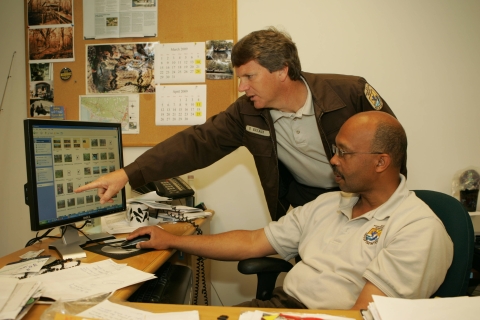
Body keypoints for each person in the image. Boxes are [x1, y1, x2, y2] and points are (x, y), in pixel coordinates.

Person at [124, 111, 453, 310]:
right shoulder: (329, 204)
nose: (333, 160)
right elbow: (253, 242)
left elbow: (365, 313)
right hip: (283, 307)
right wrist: (172, 240)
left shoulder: (417, 228)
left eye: (345, 153)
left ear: (381, 162)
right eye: (334, 149)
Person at [75, 27, 403, 221]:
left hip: (369, 202)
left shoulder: (349, 92)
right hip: (311, 208)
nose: (242, 86)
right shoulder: (246, 113)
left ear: (282, 71)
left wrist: (389, 206)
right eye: (240, 77)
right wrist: (127, 174)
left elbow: (390, 148)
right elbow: (195, 143)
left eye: (249, 76)